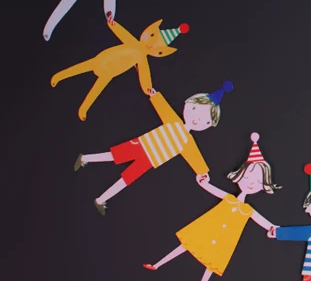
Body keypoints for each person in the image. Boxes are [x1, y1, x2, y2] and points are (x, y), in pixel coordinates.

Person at [143, 133, 278, 281]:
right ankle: (157, 264)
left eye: (258, 182)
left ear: (263, 185)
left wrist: (273, 228)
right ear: (239, 175)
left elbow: (261, 220)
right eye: (247, 177)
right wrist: (204, 183)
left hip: (225, 239)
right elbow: (213, 190)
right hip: (209, 227)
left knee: (210, 266)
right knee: (186, 246)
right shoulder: (229, 198)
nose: (251, 184)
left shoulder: (247, 210)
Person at [74, 81, 233, 214]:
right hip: (142, 145)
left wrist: (202, 172)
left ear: (208, 125)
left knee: (126, 179)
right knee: (113, 156)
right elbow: (164, 109)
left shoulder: (187, 141)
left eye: (205, 121)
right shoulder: (175, 123)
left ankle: (100, 199)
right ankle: (85, 159)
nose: (197, 120)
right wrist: (154, 95)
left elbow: (194, 157)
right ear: (188, 103)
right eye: (195, 110)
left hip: (150, 160)